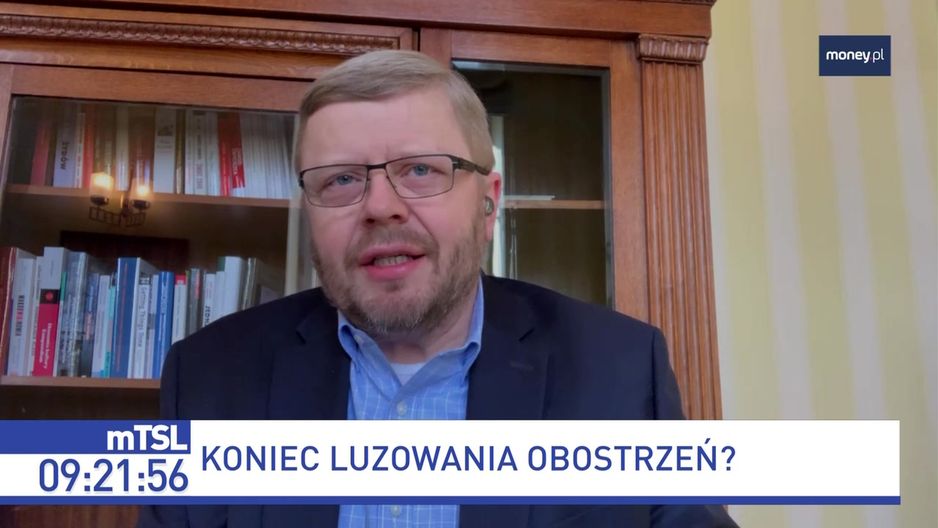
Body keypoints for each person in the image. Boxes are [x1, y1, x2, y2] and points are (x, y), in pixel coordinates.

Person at [138, 50, 737, 528]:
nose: (380, 207)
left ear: (488, 203)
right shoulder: (209, 376)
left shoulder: (621, 368)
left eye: (421, 170)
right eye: (341, 179)